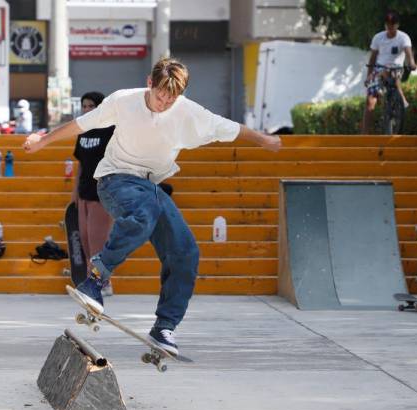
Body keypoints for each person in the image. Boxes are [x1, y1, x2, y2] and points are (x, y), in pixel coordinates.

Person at [23, 57, 282, 355]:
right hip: (114, 180)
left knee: (185, 251)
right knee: (143, 213)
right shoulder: (123, 101)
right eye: (160, 96)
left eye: (172, 99)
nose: (164, 103)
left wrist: (263, 139)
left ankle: (164, 327)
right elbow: (81, 125)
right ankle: (95, 278)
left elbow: (231, 128)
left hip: (150, 187)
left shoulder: (188, 112)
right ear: (149, 82)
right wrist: (42, 141)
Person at [72, 92, 115, 296]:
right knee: (86, 239)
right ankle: (93, 280)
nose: (87, 110)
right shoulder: (83, 132)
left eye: (91, 106)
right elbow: (80, 164)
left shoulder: (110, 131)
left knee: (98, 241)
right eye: (84, 106)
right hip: (84, 192)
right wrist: (75, 192)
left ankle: (103, 283)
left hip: (102, 192)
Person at [362, 11, 416, 134]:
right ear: (385, 25)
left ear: (397, 25)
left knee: (392, 73)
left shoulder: (403, 37)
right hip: (379, 68)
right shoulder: (378, 37)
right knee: (370, 103)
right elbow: (372, 59)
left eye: (392, 25)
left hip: (396, 69)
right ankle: (364, 135)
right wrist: (369, 76)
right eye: (387, 25)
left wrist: (412, 64)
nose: (390, 28)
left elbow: (409, 54)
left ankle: (399, 99)